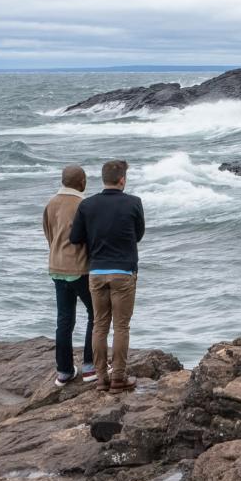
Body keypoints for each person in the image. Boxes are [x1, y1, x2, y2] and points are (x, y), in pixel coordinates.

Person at [69, 159, 145, 393]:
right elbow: (138, 235)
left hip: (97, 272)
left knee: (99, 326)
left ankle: (101, 378)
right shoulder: (134, 203)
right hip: (123, 271)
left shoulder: (87, 205)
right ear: (122, 179)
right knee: (121, 327)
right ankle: (119, 377)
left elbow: (75, 238)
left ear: (102, 179)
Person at [42, 165, 97, 386]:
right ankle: (90, 365)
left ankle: (64, 371)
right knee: (97, 314)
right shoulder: (83, 204)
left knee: (64, 320)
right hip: (79, 268)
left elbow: (48, 233)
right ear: (82, 182)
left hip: (56, 267)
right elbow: (89, 238)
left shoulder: (50, 203)